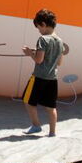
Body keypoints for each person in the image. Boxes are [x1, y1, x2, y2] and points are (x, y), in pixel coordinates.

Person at [21, 8, 67, 137]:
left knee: (28, 101)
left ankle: (36, 126)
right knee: (51, 107)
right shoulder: (60, 41)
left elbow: (38, 60)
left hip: (39, 77)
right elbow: (59, 63)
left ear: (43, 24)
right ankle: (52, 133)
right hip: (52, 79)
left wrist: (30, 53)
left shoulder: (43, 39)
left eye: (39, 28)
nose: (39, 31)